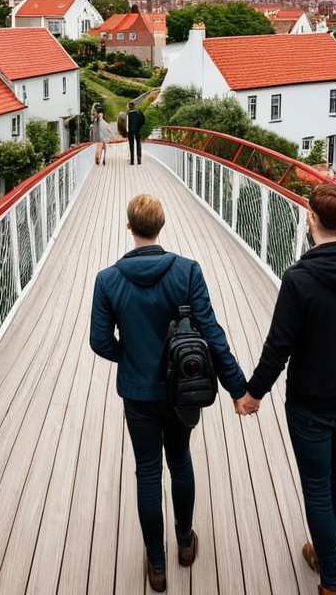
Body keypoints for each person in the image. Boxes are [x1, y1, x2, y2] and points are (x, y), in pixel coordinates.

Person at [235, 183, 336, 595]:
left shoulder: (299, 279)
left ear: (311, 219)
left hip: (310, 403)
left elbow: (279, 346)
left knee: (317, 487)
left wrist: (253, 394)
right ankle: (328, 546)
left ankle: (333, 581)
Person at [91, 194, 249, 592]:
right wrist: (238, 387)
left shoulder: (108, 280)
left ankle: (157, 565)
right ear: (161, 226)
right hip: (183, 392)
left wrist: (128, 356)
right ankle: (184, 544)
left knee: (147, 470)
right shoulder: (187, 271)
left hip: (137, 393)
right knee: (179, 459)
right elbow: (212, 334)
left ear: (130, 228)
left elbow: (99, 341)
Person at [126, 100, 146, 165]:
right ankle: (139, 160)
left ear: (129, 107)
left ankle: (132, 161)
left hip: (130, 132)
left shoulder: (128, 114)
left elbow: (126, 124)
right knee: (138, 144)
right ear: (134, 106)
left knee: (131, 145)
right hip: (137, 130)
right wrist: (139, 126)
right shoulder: (139, 112)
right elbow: (143, 120)